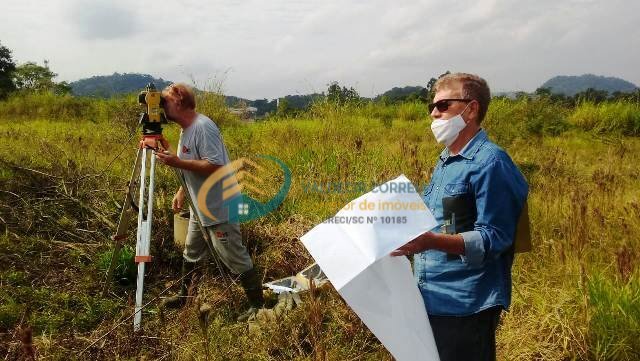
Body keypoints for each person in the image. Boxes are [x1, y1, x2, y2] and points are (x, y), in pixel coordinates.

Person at [392, 73, 528, 360]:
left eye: (443, 105)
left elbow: (495, 237)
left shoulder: (491, 163)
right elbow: (440, 222)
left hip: (466, 304)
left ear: (471, 109)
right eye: (432, 106)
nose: (433, 112)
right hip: (431, 296)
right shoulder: (445, 161)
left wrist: (429, 242)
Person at [154, 83, 263, 322]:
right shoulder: (186, 129)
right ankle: (185, 297)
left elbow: (215, 165)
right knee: (191, 252)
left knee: (233, 255)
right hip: (199, 207)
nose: (161, 106)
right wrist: (182, 191)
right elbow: (191, 162)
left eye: (164, 101)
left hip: (218, 206)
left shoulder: (203, 127)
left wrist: (176, 163)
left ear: (179, 100)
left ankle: (258, 304)